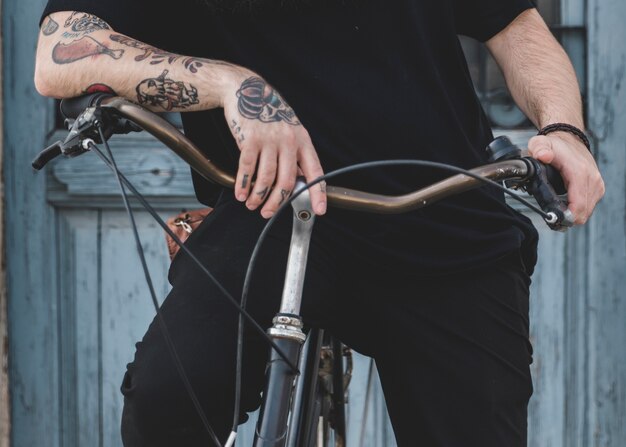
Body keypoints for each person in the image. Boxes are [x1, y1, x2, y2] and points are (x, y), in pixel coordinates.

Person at [35, 1, 604, 446]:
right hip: (270, 213)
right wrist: (233, 85)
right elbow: (60, 48)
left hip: (440, 211)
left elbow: (514, 24)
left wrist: (566, 131)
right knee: (166, 404)